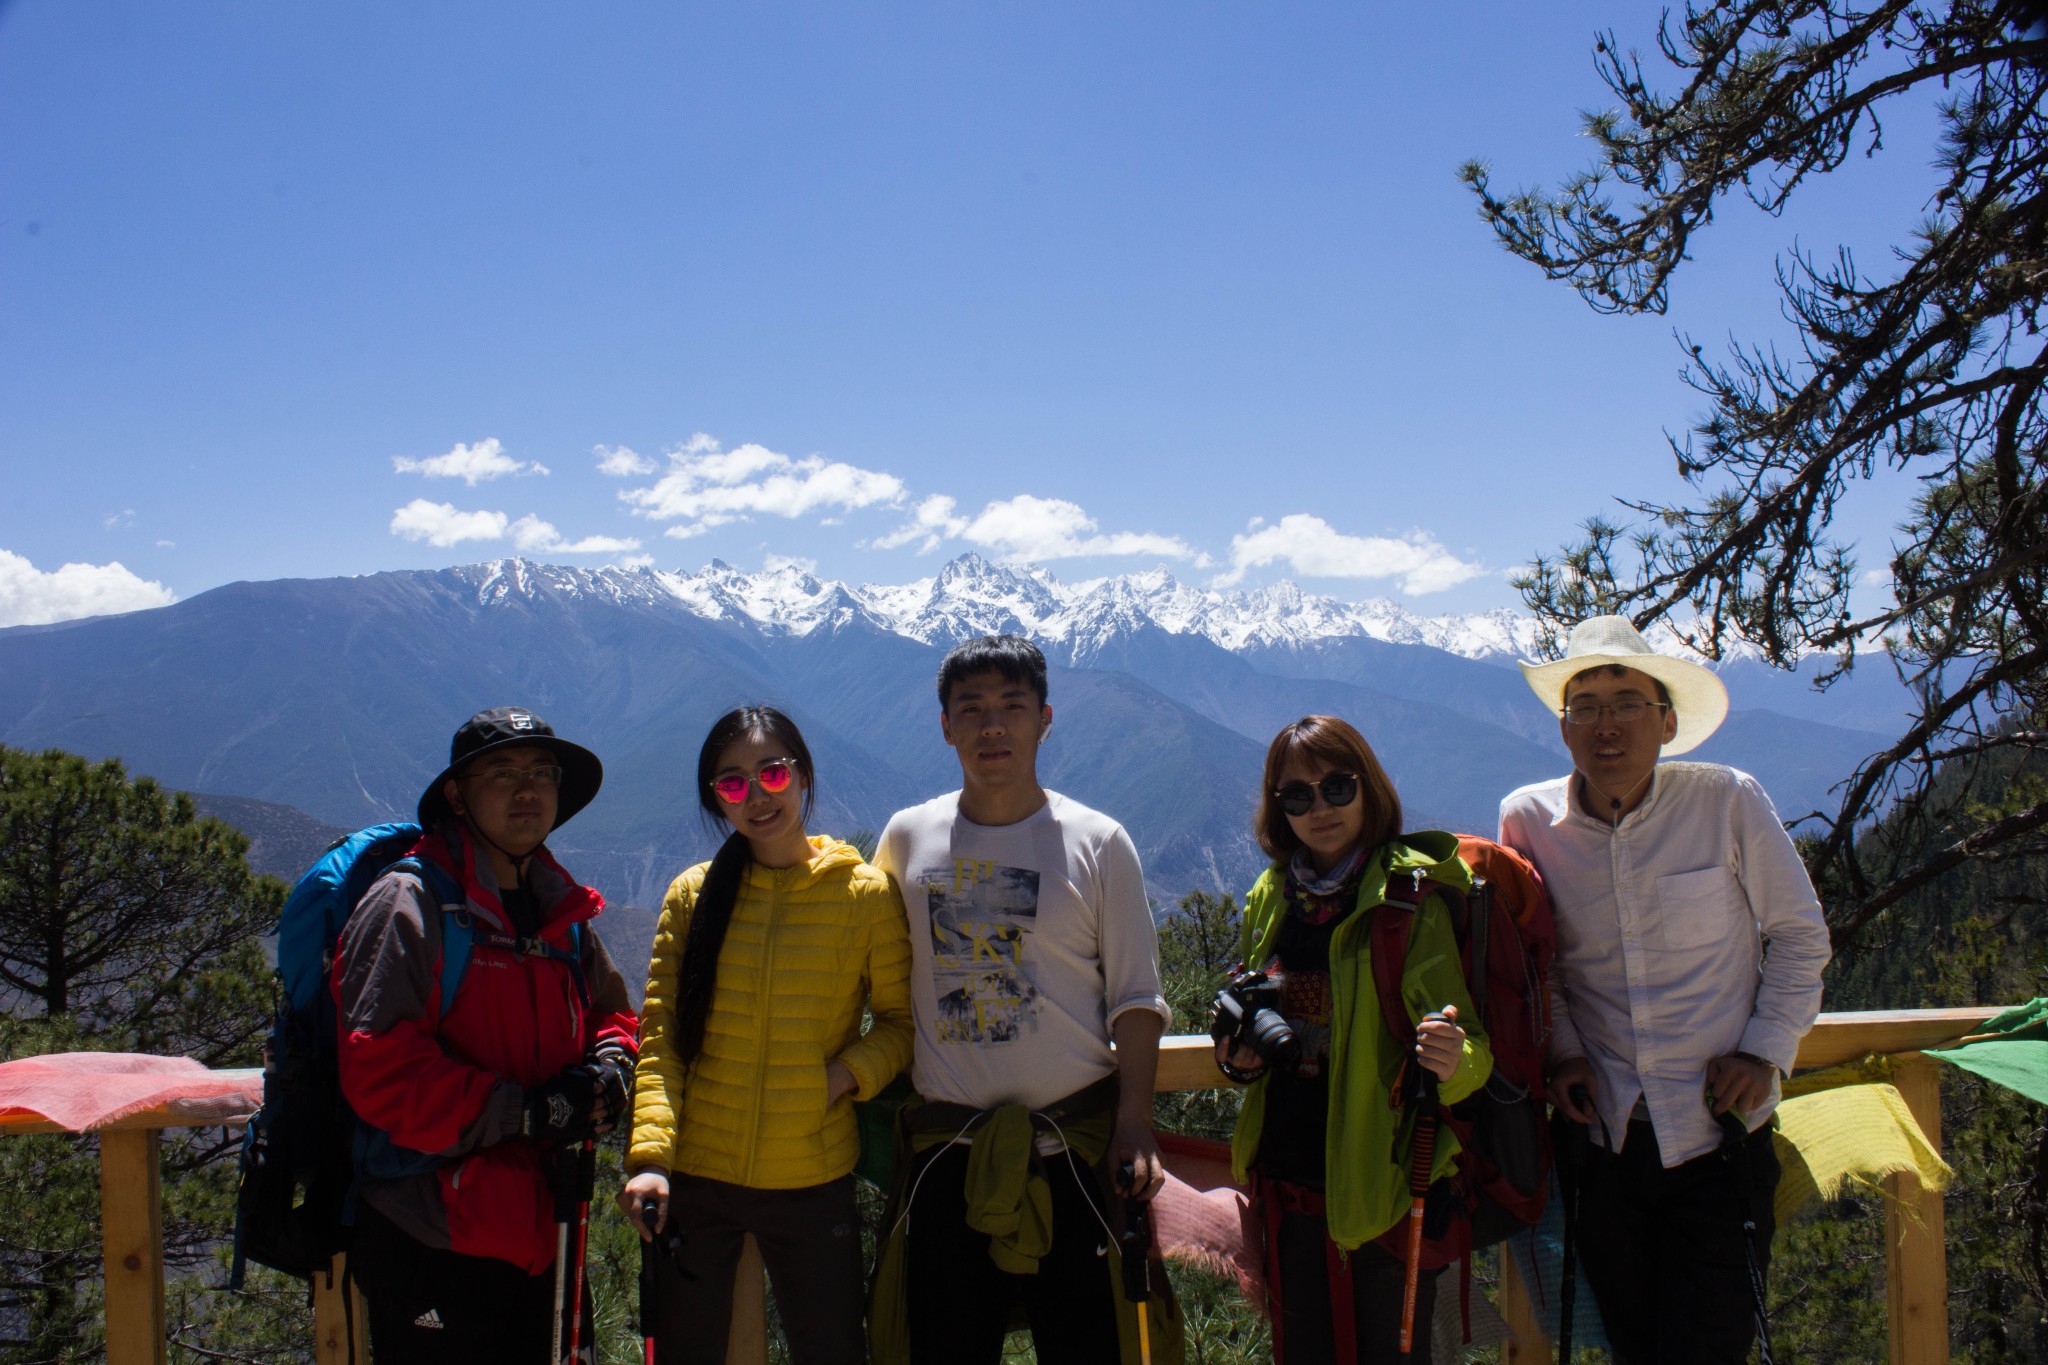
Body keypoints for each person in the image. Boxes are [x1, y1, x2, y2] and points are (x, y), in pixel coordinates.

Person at [1498, 616, 1832, 1365]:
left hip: (1720, 1136)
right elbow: (1537, 961)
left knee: (1709, 1346)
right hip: (1602, 1143)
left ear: (1667, 720)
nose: (1605, 724)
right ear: (1563, 726)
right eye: (1584, 705)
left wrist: (1764, 1050)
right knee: (1632, 1345)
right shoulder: (1527, 821)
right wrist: (1564, 1053)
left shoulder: (1727, 802)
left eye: (1627, 702)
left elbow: (1802, 935)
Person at [868, 634, 1179, 1365]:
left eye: (1012, 706)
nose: (992, 727)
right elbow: (872, 970)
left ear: (1045, 717)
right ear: (945, 725)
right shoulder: (907, 838)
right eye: (970, 709)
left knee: (1090, 1347)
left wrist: (1135, 1121)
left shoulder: (1098, 843)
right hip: (949, 1155)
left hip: (1073, 1153)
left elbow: (1137, 996)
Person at [333, 705, 639, 1364]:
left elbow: (613, 1013)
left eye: (541, 773)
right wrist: (524, 1111)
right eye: (502, 773)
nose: (527, 791)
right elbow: (379, 1069)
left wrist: (612, 1066)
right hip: (433, 1237)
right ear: (457, 794)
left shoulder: (560, 912)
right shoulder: (408, 906)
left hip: (548, 1230)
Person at [619, 705, 913, 1365]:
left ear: (803, 775)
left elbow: (901, 1025)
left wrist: (843, 1076)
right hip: (698, 1176)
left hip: (812, 1176)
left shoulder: (863, 896)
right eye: (732, 783)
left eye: (772, 772)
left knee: (833, 1349)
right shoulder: (693, 897)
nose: (757, 795)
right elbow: (663, 1038)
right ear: (715, 799)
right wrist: (650, 1160)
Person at [1215, 715, 1491, 1365]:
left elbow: (1473, 1052)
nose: (1319, 807)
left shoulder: (1407, 899)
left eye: (1337, 786)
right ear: (1279, 809)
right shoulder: (1269, 896)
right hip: (1287, 1182)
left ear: (1368, 789)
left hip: (1387, 1188)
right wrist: (1240, 1058)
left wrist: (1452, 1058)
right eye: (1297, 795)